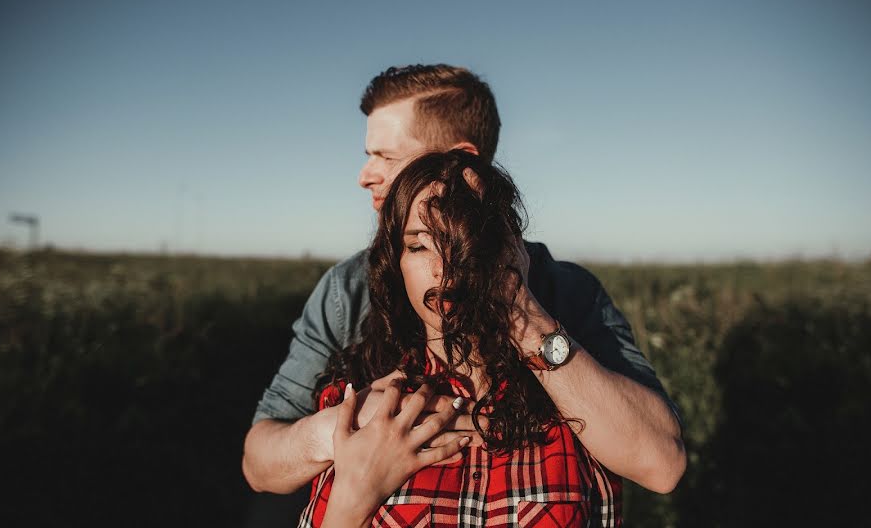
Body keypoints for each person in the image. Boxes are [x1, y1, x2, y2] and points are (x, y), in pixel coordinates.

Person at [242, 65, 685, 510]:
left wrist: (521, 311)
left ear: (463, 162)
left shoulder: (564, 288)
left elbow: (661, 464)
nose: (365, 175)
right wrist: (351, 429)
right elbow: (259, 464)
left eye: (387, 157)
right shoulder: (348, 289)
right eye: (415, 248)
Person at [302, 150, 622, 527]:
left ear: (505, 251)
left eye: (458, 241)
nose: (441, 268)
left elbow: (661, 464)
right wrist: (353, 499)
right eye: (418, 245)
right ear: (396, 266)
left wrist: (518, 300)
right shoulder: (359, 409)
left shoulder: (576, 408)